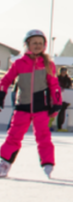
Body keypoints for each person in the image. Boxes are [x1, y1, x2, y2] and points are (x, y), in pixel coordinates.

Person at [0, 30, 62, 179]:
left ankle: (48, 164)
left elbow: (54, 85)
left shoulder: (48, 64)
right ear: (27, 44)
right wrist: (1, 94)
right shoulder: (19, 64)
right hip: (23, 106)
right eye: (34, 43)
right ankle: (4, 163)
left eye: (40, 43)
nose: (37, 46)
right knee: (13, 136)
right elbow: (6, 80)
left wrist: (57, 103)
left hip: (42, 108)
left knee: (43, 137)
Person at [51, 66, 73, 132]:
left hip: (65, 97)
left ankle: (61, 126)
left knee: (63, 111)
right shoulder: (57, 78)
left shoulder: (68, 79)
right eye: (63, 72)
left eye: (65, 72)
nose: (64, 73)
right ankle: (53, 125)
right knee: (55, 111)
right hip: (57, 97)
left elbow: (70, 87)